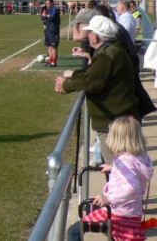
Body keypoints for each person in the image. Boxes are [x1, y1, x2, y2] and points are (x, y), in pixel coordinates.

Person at [55, 16, 139, 164]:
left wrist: (65, 85)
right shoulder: (111, 50)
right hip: (118, 120)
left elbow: (92, 82)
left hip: (114, 123)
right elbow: (94, 74)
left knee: (118, 172)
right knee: (120, 171)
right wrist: (73, 75)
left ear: (97, 36)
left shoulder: (107, 53)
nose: (88, 35)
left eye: (91, 32)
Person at [78, 117, 153, 241]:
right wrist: (113, 168)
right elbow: (134, 173)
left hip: (118, 212)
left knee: (76, 229)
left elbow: (132, 187)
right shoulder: (141, 157)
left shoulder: (123, 162)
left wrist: (108, 199)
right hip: (132, 213)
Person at [41, 0, 60, 67]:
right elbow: (42, 18)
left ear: (52, 3)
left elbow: (52, 17)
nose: (47, 5)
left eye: (48, 3)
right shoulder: (47, 10)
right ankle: (50, 61)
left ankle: (53, 62)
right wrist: (46, 15)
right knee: (49, 46)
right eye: (46, 4)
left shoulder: (55, 9)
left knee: (53, 46)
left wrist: (46, 16)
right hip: (47, 30)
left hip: (53, 31)